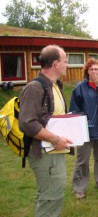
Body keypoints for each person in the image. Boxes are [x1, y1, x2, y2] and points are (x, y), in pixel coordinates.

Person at [19, 45, 73, 217]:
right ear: (56, 64)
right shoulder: (35, 88)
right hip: (44, 153)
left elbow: (53, 117)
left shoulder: (55, 85)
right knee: (49, 198)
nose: (68, 65)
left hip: (54, 152)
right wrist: (56, 139)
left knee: (53, 195)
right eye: (65, 61)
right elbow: (27, 124)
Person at [70, 58, 98, 199]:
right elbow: (74, 110)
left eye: (96, 69)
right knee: (82, 160)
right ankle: (79, 187)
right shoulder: (79, 88)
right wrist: (82, 123)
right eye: (91, 69)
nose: (94, 72)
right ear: (87, 71)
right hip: (85, 130)